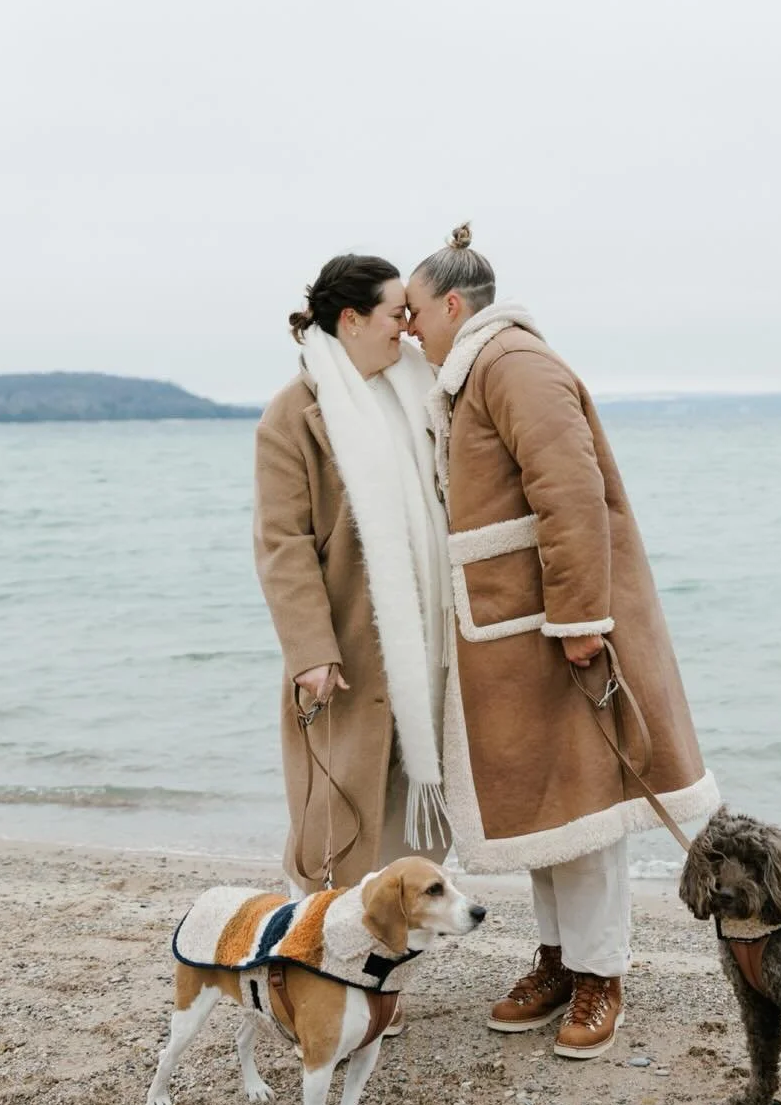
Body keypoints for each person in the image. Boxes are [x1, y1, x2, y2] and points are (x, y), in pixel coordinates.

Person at [405, 224, 717, 1058]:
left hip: (558, 629)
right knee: (546, 806)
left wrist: (581, 619)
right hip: (513, 628)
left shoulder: (513, 366)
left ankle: (600, 975)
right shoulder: (473, 374)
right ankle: (557, 959)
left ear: (452, 304)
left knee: (586, 804)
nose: (407, 327)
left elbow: (571, 493)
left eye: (413, 310)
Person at [253, 253, 452, 898]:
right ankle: (316, 956)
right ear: (352, 318)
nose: (408, 327)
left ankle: (388, 964)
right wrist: (310, 651)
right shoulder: (296, 413)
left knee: (414, 812)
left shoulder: (419, 391)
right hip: (346, 649)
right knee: (335, 812)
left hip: (429, 646)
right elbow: (283, 544)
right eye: (397, 313)